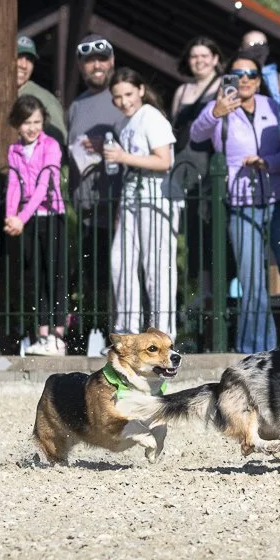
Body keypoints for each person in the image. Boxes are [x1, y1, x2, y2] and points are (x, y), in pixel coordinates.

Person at [191, 53, 280, 352]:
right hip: (241, 203)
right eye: (238, 73)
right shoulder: (219, 108)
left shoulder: (273, 106)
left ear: (259, 79)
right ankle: (257, 349)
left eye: (251, 74)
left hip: (276, 199)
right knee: (253, 281)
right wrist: (215, 112)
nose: (244, 79)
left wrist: (268, 163)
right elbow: (195, 134)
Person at [64, 34, 127, 349]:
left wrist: (108, 146)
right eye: (90, 60)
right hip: (87, 210)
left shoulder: (121, 98)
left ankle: (125, 335)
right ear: (80, 65)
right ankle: (97, 335)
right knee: (93, 279)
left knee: (121, 277)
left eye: (102, 58)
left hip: (120, 208)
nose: (97, 65)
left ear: (112, 61)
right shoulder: (75, 106)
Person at [105, 69, 177, 337]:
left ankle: (163, 333)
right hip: (132, 199)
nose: (124, 101)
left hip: (156, 198)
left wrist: (123, 157)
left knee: (156, 267)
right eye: (118, 97)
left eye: (128, 94)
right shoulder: (125, 123)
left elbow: (164, 161)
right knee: (119, 260)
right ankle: (127, 330)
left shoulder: (151, 117)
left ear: (141, 91)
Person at [169, 36, 227, 330]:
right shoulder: (181, 91)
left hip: (210, 170)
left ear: (216, 58)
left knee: (211, 234)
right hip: (184, 169)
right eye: (194, 56)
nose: (199, 61)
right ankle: (199, 294)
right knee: (191, 237)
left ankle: (215, 297)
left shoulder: (222, 86)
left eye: (205, 55)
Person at [3, 96, 69, 356]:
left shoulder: (51, 145)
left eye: (37, 122)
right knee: (36, 275)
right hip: (26, 219)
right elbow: (14, 183)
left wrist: (22, 216)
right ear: (17, 124)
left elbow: (44, 184)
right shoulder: (14, 150)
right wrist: (11, 216)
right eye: (26, 122)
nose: (32, 127)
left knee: (55, 274)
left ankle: (58, 333)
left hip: (50, 214)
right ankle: (42, 332)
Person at [13, 35, 67, 143]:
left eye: (29, 59)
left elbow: (58, 143)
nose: (24, 65)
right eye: (18, 57)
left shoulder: (46, 100)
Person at [242, 29, 280, 102]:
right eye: (251, 44)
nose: (257, 49)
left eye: (262, 44)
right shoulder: (233, 74)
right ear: (242, 49)